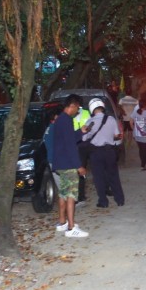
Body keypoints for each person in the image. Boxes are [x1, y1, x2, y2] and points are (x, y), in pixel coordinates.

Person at [52, 94, 90, 238]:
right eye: (78, 108)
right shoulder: (66, 120)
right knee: (71, 195)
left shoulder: (61, 120)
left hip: (60, 163)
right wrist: (79, 165)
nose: (78, 111)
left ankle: (62, 222)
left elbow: (68, 139)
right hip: (68, 164)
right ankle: (71, 227)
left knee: (62, 193)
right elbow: (70, 146)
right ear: (72, 105)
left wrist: (81, 132)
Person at [82, 98, 125, 208]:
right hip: (110, 152)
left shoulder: (89, 122)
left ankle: (103, 201)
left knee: (98, 178)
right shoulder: (111, 119)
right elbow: (116, 135)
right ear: (102, 107)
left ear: (92, 109)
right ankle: (119, 200)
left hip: (96, 153)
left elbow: (84, 138)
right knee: (114, 176)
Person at [130, 98, 146, 170]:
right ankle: (144, 164)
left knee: (141, 149)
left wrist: (133, 129)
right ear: (145, 105)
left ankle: (143, 163)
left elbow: (131, 122)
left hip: (137, 134)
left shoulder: (135, 112)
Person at [74, 104, 91, 207]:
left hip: (83, 144)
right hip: (77, 143)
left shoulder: (85, 113)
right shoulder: (68, 115)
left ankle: (80, 196)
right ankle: (79, 196)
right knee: (79, 171)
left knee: (81, 171)